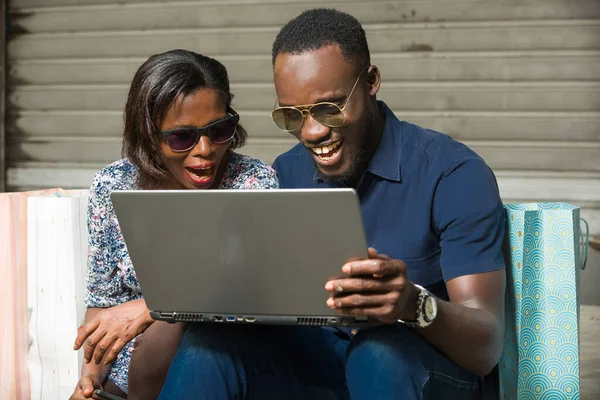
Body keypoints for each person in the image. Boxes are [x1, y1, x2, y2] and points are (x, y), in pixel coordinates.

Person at [158, 9, 507, 400]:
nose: (312, 132)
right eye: (292, 115)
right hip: (329, 365)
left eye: (330, 108)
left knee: (377, 350)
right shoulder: (286, 172)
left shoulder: (452, 174)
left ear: (371, 82)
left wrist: (413, 303)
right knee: (210, 344)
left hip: (421, 370)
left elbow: (486, 347)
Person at [69, 49, 279, 400]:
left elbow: (248, 289)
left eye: (219, 129)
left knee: (172, 324)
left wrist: (152, 308)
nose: (205, 149)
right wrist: (88, 380)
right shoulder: (113, 186)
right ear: (149, 133)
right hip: (123, 378)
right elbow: (103, 303)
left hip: (215, 369)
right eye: (182, 137)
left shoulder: (253, 183)